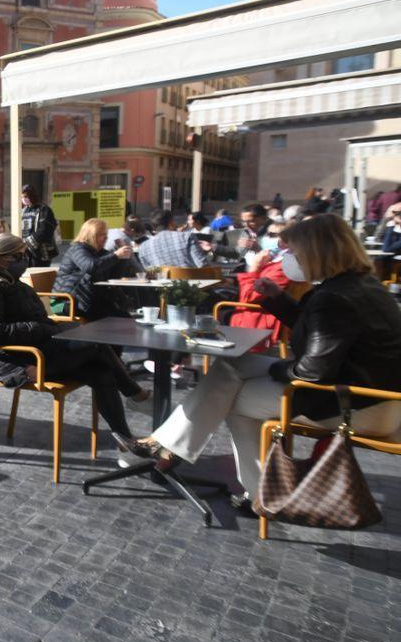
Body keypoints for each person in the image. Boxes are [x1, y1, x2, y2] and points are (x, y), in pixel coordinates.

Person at [117, 215, 401, 510]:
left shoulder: (335, 297)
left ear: (318, 252)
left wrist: (276, 368)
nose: (290, 258)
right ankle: (168, 445)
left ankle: (261, 497)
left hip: (352, 403)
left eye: (294, 252)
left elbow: (312, 372)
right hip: (374, 397)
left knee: (233, 403)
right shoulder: (359, 284)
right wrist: (277, 299)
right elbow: (320, 332)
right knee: (230, 366)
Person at [0, 234, 149, 442]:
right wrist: (42, 329)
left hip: (42, 351)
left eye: (26, 255)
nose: (26, 261)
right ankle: (136, 394)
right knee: (97, 346)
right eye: (20, 256)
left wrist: (61, 328)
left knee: (101, 372)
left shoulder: (15, 284)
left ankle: (126, 441)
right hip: (19, 362)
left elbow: (39, 320)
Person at [227, 221, 297, 353]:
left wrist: (254, 268)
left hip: (258, 318)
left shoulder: (285, 266)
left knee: (213, 316)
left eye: (271, 235)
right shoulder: (281, 261)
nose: (266, 238)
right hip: (259, 314)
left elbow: (251, 296)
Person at [53, 218, 135, 320]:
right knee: (115, 319)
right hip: (65, 302)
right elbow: (90, 267)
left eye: (106, 234)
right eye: (102, 234)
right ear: (91, 235)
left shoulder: (100, 252)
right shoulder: (77, 249)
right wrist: (116, 256)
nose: (106, 238)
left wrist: (124, 258)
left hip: (85, 300)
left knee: (125, 319)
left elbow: (114, 276)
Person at [138, 210, 208, 268]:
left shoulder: (143, 247)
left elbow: (149, 273)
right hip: (190, 283)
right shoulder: (187, 237)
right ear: (171, 222)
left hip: (161, 284)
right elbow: (203, 265)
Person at [19, 184, 58, 267]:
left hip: (41, 253)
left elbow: (44, 231)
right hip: (25, 253)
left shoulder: (44, 209)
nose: (24, 200)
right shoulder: (22, 211)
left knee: (39, 276)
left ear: (32, 196)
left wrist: (26, 243)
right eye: (22, 197)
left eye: (26, 197)